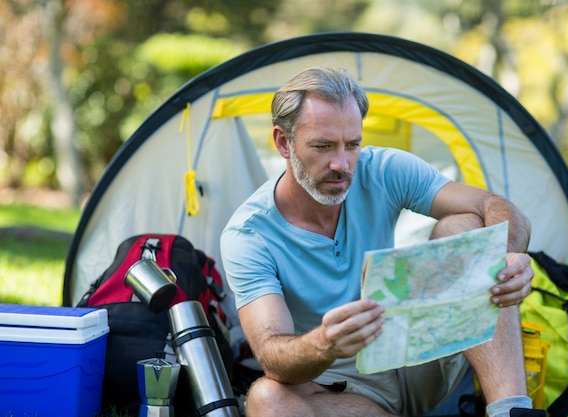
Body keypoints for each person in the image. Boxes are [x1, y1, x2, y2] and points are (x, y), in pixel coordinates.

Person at [220, 66, 543, 417]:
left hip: (424, 354)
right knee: (266, 399)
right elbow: (272, 357)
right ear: (283, 142)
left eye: (352, 144)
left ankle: (511, 410)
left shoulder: (384, 169)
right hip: (347, 390)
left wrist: (507, 258)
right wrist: (325, 343)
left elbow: (494, 205)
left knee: (466, 226)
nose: (342, 164)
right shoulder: (249, 235)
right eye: (323, 146)